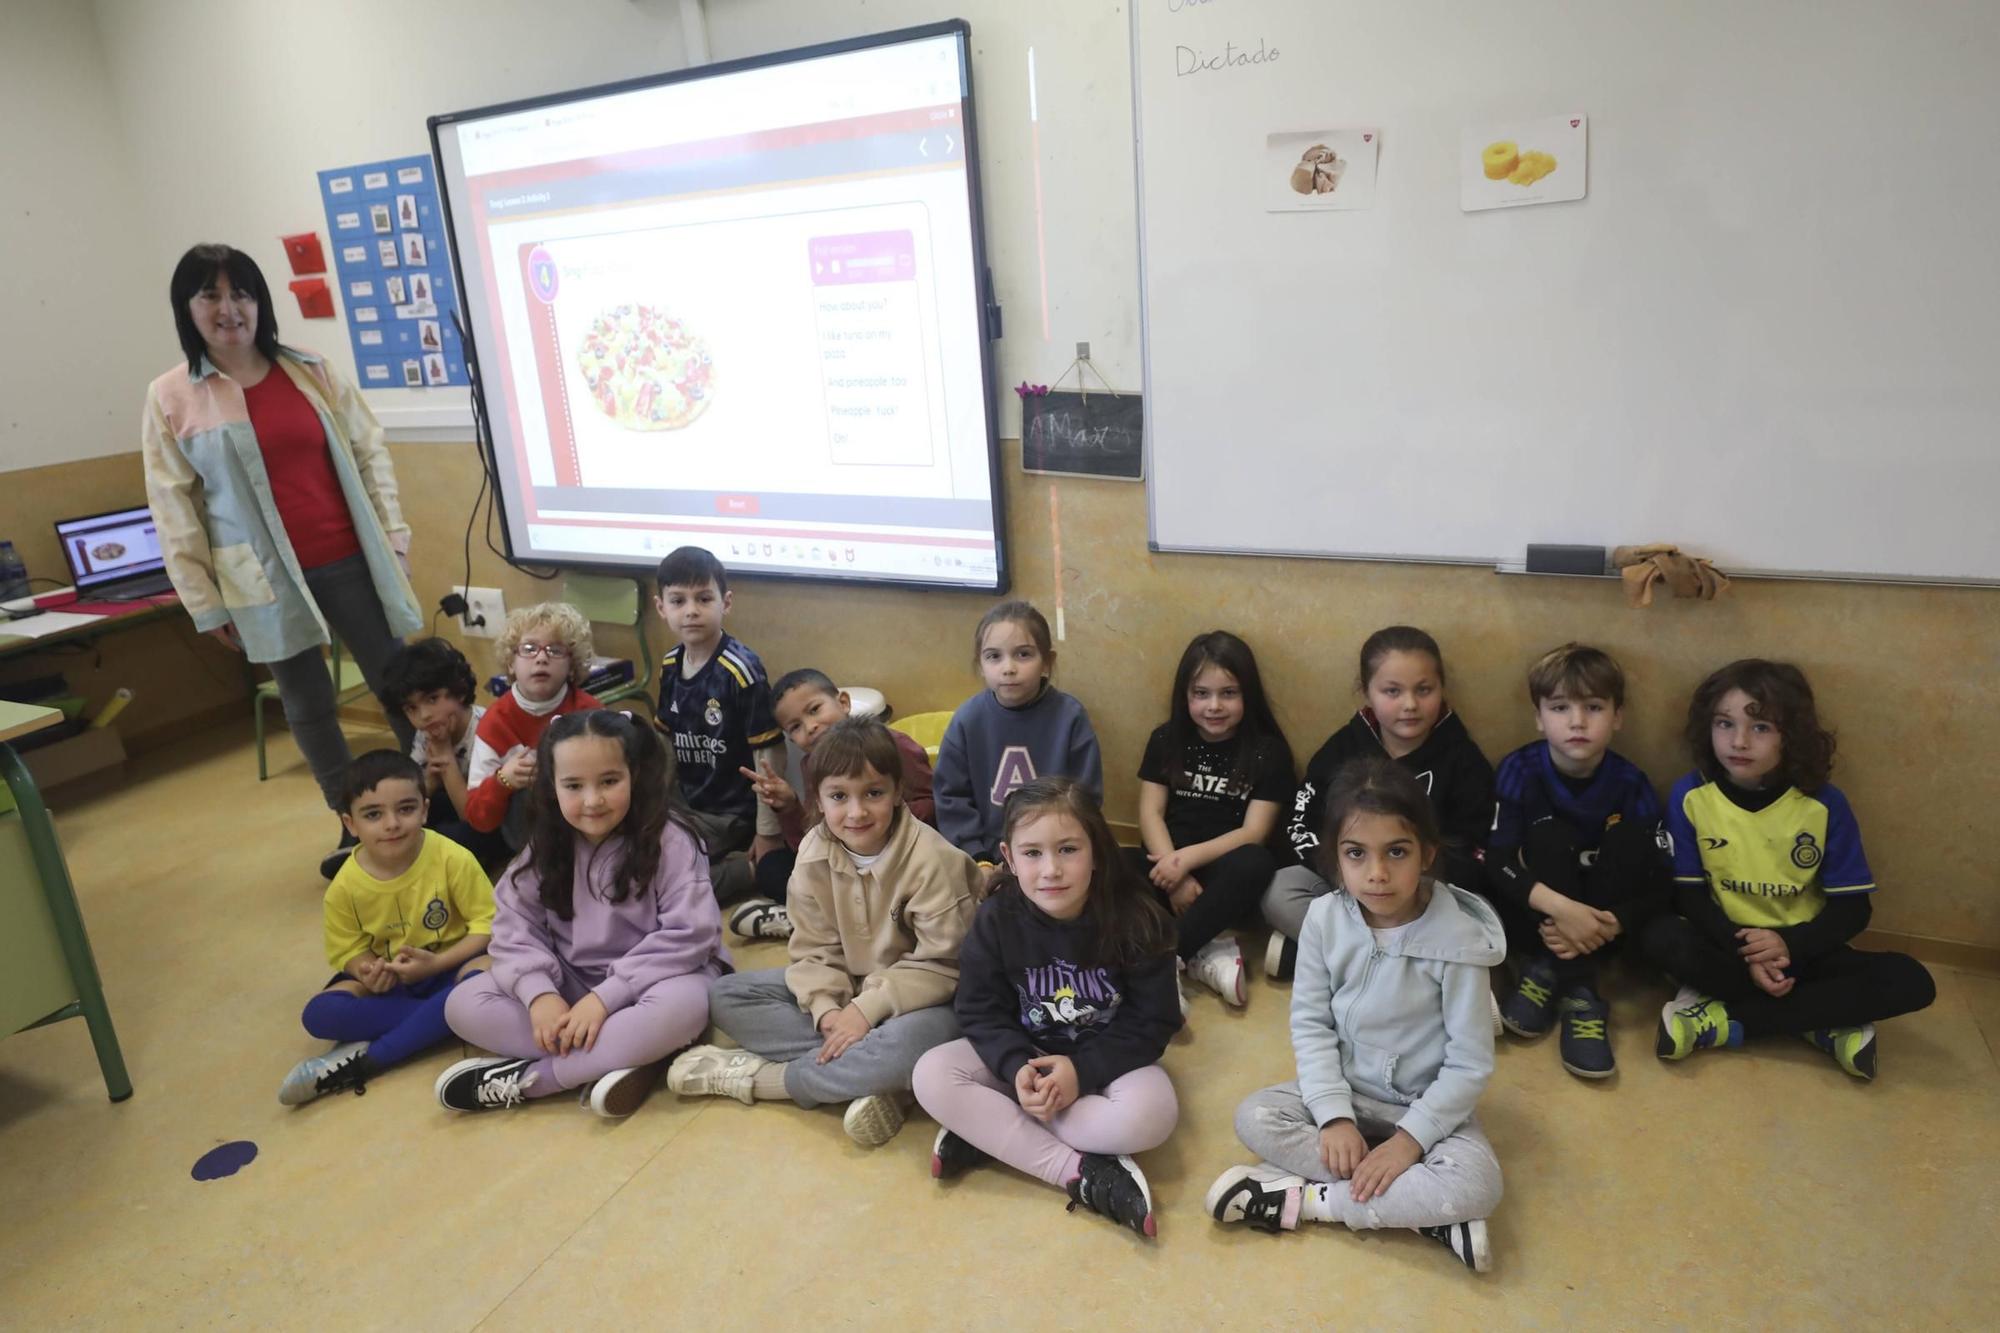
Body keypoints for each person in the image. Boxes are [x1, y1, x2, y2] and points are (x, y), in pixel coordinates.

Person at [142, 244, 420, 878]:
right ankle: (355, 826)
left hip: (350, 558)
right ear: (188, 310)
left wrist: (395, 538)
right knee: (307, 701)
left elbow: (369, 451)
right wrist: (202, 600)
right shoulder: (171, 397)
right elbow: (173, 506)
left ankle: (431, 802)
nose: (229, 308)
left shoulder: (310, 369)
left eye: (241, 292)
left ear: (259, 302)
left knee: (400, 686)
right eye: (210, 295)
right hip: (261, 580)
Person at [1206, 759, 1505, 1272]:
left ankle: (1308, 1202)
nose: (1378, 873)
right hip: (1347, 1091)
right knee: (1254, 1116)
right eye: (1356, 854)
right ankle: (1418, 1211)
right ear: (1335, 861)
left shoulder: (1458, 945)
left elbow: (1469, 1066)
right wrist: (1335, 1116)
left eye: (1397, 852)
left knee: (1479, 1185)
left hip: (1419, 1103)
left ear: (1428, 854)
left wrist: (1409, 1142)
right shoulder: (1324, 918)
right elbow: (1311, 1024)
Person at [667, 718, 979, 1146]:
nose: (856, 812)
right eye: (839, 796)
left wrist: (868, 1010)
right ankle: (875, 1079)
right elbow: (814, 951)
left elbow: (945, 967)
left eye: (873, 793)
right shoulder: (813, 853)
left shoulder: (933, 861)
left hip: (925, 1003)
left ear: (897, 793)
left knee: (917, 1046)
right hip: (851, 989)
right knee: (726, 997)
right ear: (817, 799)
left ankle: (770, 1079)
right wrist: (828, 1012)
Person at [1642, 660, 1935, 1079]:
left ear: (1790, 736)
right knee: (1661, 937)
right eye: (1725, 723)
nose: (1739, 741)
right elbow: (1687, 895)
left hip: (1802, 948)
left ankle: (1725, 1021)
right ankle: (1819, 1024)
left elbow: (1854, 910)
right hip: (1724, 946)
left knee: (1912, 980)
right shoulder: (1691, 795)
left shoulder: (1823, 804)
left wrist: (1787, 947)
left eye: (1761, 727)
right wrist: (1749, 951)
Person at [914, 778, 1181, 1238]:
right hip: (1027, 1056)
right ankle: (1073, 1171)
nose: (1051, 869)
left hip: (1107, 1061)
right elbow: (978, 1008)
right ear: (1009, 857)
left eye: (1068, 849)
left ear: (1095, 850)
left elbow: (1154, 1021)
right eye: (1033, 853)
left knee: (1154, 1115)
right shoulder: (997, 917)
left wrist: (1081, 1071)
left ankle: (991, 1133)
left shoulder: (1138, 915)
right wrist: (1016, 1065)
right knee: (930, 1074)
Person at [439, 711, 729, 1118]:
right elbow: (512, 928)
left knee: (687, 1008)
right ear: (551, 787)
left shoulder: (672, 840)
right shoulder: (544, 846)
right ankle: (627, 1056)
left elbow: (691, 934)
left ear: (635, 775)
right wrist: (540, 996)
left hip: (657, 981)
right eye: (573, 786)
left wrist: (605, 1000)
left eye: (609, 782)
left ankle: (539, 1080)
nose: (592, 800)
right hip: (572, 987)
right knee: (463, 1003)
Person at [1261, 626, 1494, 983]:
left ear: (1441, 689)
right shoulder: (1342, 748)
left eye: (1424, 690)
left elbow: (1474, 842)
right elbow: (1300, 820)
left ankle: (1324, 958)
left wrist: (1415, 887)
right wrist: (1343, 875)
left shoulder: (1463, 759)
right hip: (1349, 889)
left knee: (1482, 922)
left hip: (1423, 899)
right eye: (1392, 691)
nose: (1410, 704)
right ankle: (1402, 974)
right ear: (1366, 692)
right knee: (1279, 890)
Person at [1487, 644, 1671, 1078]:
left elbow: (1662, 881)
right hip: (1542, 917)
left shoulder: (1632, 784)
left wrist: (1613, 922)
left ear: (1617, 716)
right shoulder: (1519, 769)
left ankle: (1576, 989)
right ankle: (1562, 973)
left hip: (1605, 924)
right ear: (1538, 716)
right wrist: (1564, 913)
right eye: (1559, 707)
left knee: (1629, 839)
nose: (1577, 722)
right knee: (1551, 835)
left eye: (1593, 707)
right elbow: (1497, 860)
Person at [278, 751, 493, 1105]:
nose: (392, 824)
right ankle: (445, 1022)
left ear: (425, 810)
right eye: (373, 814)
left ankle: (369, 1060)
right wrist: (366, 970)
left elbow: (487, 927)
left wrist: (436, 965)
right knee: (318, 1014)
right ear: (350, 825)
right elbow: (347, 950)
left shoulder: (453, 857)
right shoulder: (344, 886)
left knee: (486, 978)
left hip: (453, 967)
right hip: (393, 983)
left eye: (405, 809)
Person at [1132, 630, 1293, 1008]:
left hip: (1226, 874)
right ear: (1184, 696)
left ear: (1247, 695)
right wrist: (1174, 874)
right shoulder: (1165, 739)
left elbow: (1254, 832)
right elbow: (1150, 812)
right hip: (1165, 866)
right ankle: (1208, 949)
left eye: (1229, 693)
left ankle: (1166, 958)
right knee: (1103, 864)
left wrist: (1186, 863)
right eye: (1201, 694)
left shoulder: (1268, 752)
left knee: (1257, 863)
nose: (1214, 706)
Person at [731, 666, 937, 941]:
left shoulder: (893, 746)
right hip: (844, 865)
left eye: (814, 710)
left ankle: (819, 924)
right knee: (772, 867)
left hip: (897, 859)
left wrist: (882, 822)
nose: (811, 726)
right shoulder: (812, 766)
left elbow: (934, 805)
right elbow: (809, 840)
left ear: (843, 703)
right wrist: (790, 806)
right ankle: (824, 922)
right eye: (795, 727)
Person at [652, 546, 783, 906]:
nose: (691, 610)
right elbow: (663, 742)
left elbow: (768, 752)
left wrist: (767, 832)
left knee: (659, 873)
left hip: (730, 813)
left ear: (725, 603)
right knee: (630, 847)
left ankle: (745, 872)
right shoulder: (669, 664)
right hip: (685, 803)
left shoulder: (741, 671)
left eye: (703, 598)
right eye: (678, 600)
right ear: (661, 607)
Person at [934, 601, 1103, 879]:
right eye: (994, 656)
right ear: (980, 664)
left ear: (1047, 662)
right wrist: (981, 858)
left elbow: (1087, 798)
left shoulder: (1070, 717)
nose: (1008, 668)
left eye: (1023, 654)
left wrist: (1052, 853)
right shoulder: (968, 719)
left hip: (1052, 858)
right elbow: (951, 797)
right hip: (984, 859)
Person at [464, 603, 603, 851]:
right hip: (533, 838)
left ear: (572, 665)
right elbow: (478, 817)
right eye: (529, 649)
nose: (541, 658)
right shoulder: (495, 723)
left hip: (590, 822)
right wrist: (503, 781)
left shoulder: (589, 711)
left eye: (555, 650)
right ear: (510, 663)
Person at [375, 636, 509, 869]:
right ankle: (371, 855)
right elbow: (410, 795)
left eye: (433, 699)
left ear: (459, 691)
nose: (424, 715)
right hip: (454, 803)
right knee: (388, 811)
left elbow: (475, 817)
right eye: (411, 708)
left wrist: (447, 761)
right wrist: (430, 780)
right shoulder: (427, 732)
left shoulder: (487, 730)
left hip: (491, 820)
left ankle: (406, 858)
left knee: (453, 836)